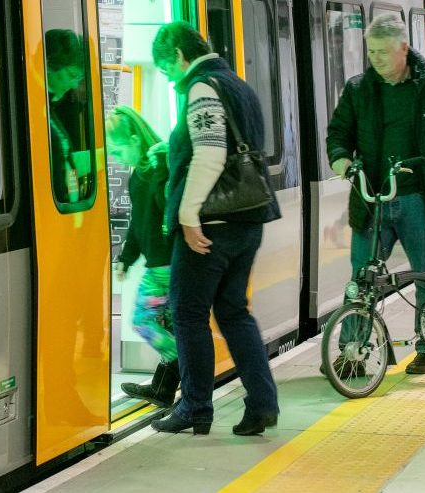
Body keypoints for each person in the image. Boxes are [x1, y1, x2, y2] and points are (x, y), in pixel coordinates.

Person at [148, 21, 282, 436]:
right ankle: (262, 405)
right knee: (233, 312)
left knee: (187, 314)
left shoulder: (202, 87)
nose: (169, 77)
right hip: (248, 221)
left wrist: (188, 216)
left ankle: (194, 408)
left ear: (178, 55)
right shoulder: (236, 84)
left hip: (211, 225)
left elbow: (209, 153)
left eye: (166, 68)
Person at [326, 14, 425, 374]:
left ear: (404, 49)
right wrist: (342, 161)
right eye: (371, 51)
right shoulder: (359, 89)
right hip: (372, 200)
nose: (375, 59)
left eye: (382, 52)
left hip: (420, 202)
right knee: (361, 282)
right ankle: (353, 353)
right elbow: (337, 134)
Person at [106, 106, 179, 408]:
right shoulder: (139, 175)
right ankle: (163, 389)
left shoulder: (161, 166)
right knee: (172, 324)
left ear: (135, 140)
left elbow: (170, 210)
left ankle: (187, 359)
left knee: (142, 320)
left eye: (119, 150)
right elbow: (139, 223)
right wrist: (125, 257)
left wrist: (163, 166)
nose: (116, 158)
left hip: (169, 264)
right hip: (163, 263)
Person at [44, 29, 92, 205]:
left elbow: (63, 164)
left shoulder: (51, 110)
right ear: (49, 66)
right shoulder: (40, 114)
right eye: (71, 75)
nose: (74, 84)